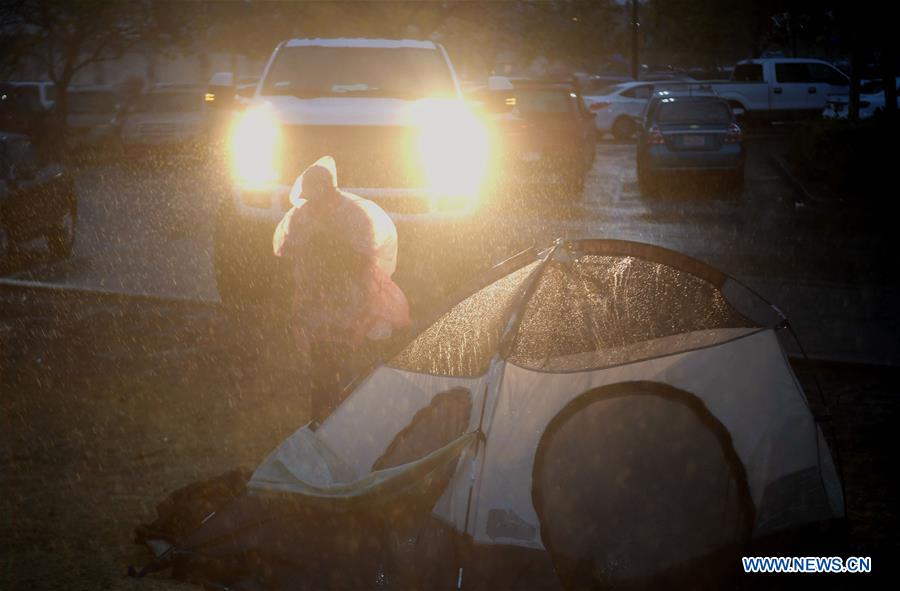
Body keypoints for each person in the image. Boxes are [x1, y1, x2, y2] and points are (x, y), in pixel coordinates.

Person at [273, 156, 410, 422]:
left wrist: (333, 252)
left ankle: (341, 416)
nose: (315, 203)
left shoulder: (354, 215)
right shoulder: (302, 218)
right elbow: (290, 249)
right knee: (322, 365)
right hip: (318, 302)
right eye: (310, 198)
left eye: (318, 195)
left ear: (329, 189)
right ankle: (323, 417)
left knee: (342, 360)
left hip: (349, 302)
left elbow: (364, 256)